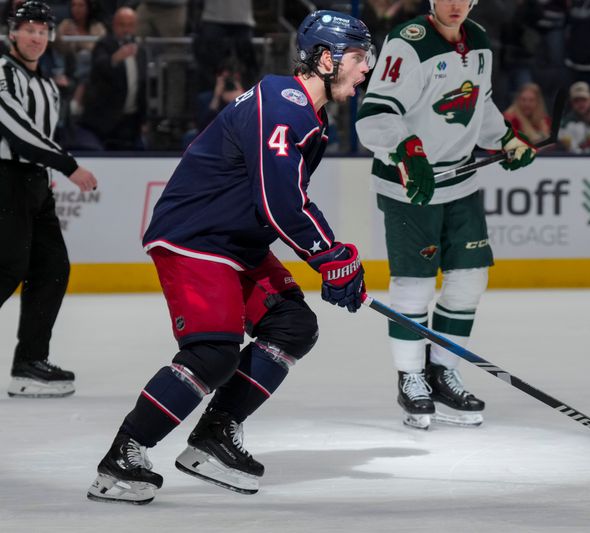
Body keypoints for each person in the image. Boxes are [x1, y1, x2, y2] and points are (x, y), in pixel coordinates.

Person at [86, 10, 373, 505]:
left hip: (235, 243)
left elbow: (288, 199)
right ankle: (123, 457)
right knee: (212, 352)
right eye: (358, 57)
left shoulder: (305, 111)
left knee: (292, 326)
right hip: (197, 238)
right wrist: (330, 255)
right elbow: (280, 202)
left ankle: (215, 435)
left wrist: (335, 258)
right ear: (326, 59)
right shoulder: (285, 105)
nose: (366, 67)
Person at [355, 0, 537, 431]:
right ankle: (411, 377)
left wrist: (506, 140)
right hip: (410, 185)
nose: (454, 4)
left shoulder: (480, 40)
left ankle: (442, 372)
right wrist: (406, 148)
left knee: (470, 279)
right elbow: (374, 116)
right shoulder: (408, 44)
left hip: (461, 182)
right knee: (414, 285)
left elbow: (479, 104)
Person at [0, 0, 98, 398]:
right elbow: (16, 129)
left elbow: (42, 135)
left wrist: (47, 173)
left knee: (53, 267)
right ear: (12, 32)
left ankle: (30, 363)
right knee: (8, 268)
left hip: (35, 182)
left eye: (43, 30)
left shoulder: (45, 85)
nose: (37, 37)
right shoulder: (3, 72)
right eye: (30, 29)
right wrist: (67, 165)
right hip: (4, 178)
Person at [77, 6, 147, 150]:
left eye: (130, 25)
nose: (126, 30)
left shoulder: (140, 51)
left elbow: (142, 86)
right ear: (114, 25)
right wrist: (115, 58)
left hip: (131, 120)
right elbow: (99, 67)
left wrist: (143, 120)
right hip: (106, 121)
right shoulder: (104, 45)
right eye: (122, 25)